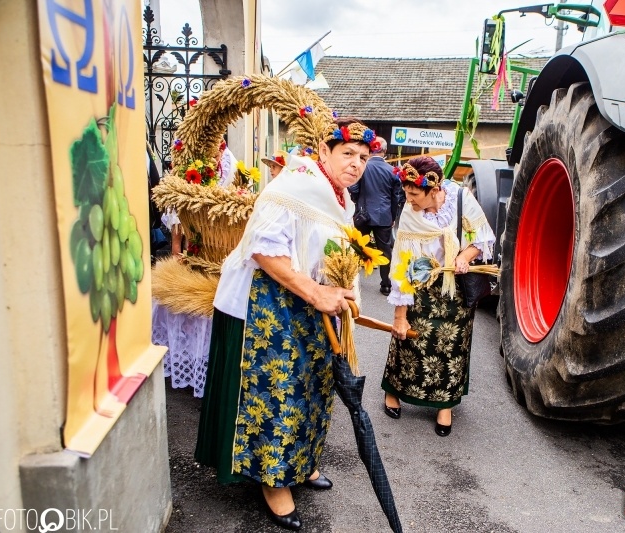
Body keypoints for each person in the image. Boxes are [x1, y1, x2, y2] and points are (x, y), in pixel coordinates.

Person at [195, 117, 375, 531]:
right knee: (279, 389)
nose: (356, 163)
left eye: (363, 157)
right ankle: (273, 481)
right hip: (267, 302)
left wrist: (340, 290)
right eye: (348, 153)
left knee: (312, 386)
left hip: (307, 305)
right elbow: (264, 250)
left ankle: (301, 462)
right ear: (324, 151)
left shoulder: (341, 198)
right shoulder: (293, 185)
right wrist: (316, 293)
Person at [381, 156, 495, 437]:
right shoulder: (410, 213)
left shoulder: (460, 199)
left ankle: (445, 405)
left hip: (455, 289)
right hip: (420, 286)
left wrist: (464, 257)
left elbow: (481, 237)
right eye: (406, 192)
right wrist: (399, 316)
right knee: (408, 341)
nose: (408, 199)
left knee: (453, 347)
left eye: (414, 194)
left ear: (434, 190)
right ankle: (394, 391)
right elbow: (402, 264)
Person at [347, 137, 404, 295]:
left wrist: (358, 202)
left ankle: (349, 279)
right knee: (385, 251)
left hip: (362, 214)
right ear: (385, 151)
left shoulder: (363, 167)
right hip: (384, 216)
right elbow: (396, 198)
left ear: (371, 150)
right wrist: (392, 217)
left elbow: (354, 188)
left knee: (357, 248)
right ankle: (386, 285)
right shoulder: (392, 171)